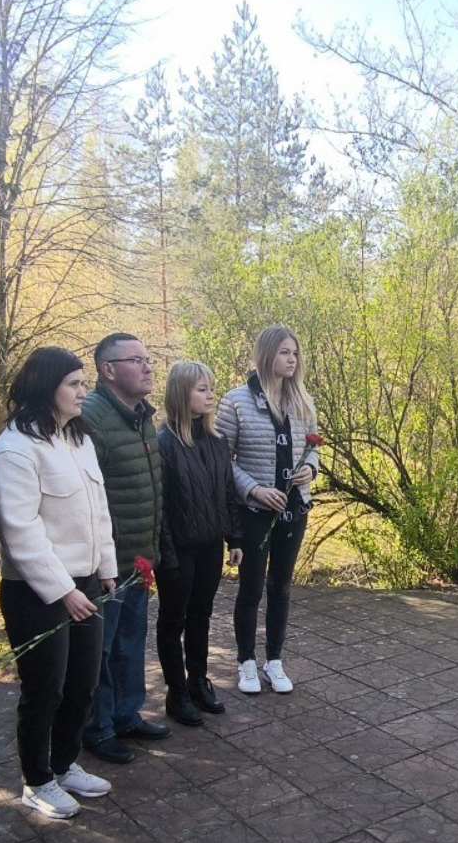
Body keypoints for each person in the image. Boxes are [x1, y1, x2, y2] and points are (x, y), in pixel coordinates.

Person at [0, 348, 116, 819]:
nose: (83, 391)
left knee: (82, 683)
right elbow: (21, 532)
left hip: (86, 583)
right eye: (74, 384)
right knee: (45, 689)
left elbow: (98, 510)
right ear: (45, 387)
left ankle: (63, 764)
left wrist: (106, 566)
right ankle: (37, 780)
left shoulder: (77, 438)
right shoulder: (14, 451)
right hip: (38, 593)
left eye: (83, 383)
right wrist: (64, 591)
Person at [216, 326, 319, 695]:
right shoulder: (236, 402)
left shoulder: (303, 400)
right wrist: (254, 490)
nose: (292, 360)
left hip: (294, 509)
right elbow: (222, 459)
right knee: (251, 587)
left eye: (295, 353)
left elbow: (314, 447)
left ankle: (274, 660)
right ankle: (245, 660)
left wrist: (311, 469)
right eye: (284, 352)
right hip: (254, 513)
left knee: (281, 586)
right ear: (266, 355)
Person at [82, 333, 165, 763]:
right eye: (136, 360)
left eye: (148, 359)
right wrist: (102, 562)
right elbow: (86, 496)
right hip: (107, 564)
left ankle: (126, 715)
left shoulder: (142, 416)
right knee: (102, 648)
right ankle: (98, 728)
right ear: (108, 370)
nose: (147, 367)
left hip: (139, 557)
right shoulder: (91, 418)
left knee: (131, 642)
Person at [155, 361, 243, 725]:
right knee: (172, 620)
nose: (210, 396)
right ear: (181, 393)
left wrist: (234, 537)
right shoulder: (164, 444)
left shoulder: (217, 441)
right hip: (178, 550)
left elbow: (227, 492)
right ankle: (176, 693)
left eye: (211, 388)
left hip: (209, 546)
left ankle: (198, 681)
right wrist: (167, 557)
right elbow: (159, 506)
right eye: (202, 389)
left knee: (201, 616)